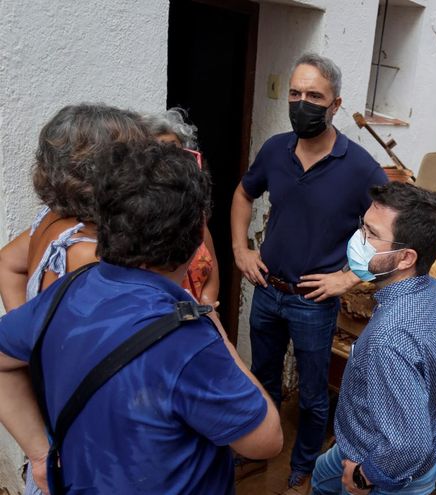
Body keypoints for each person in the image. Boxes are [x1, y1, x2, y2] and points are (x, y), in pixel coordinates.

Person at [0, 142, 282, 493]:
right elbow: (266, 440)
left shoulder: (69, 290)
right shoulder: (189, 340)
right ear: (197, 238)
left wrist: (39, 453)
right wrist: (216, 330)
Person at [230, 52, 388, 487]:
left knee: (315, 395)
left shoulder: (360, 167)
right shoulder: (275, 150)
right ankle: (260, 451)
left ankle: (302, 463)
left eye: (314, 96)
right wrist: (240, 249)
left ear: (335, 104)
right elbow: (244, 195)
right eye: (295, 93)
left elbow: (396, 231)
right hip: (267, 288)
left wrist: (351, 277)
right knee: (262, 379)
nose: (302, 103)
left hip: (313, 303)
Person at [0, 104, 149, 494]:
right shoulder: (89, 253)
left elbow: (7, 264)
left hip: (53, 416)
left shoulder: (50, 221)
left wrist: (31, 335)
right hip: (83, 444)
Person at [310, 182, 436, 495]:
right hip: (362, 443)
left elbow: (409, 444)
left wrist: (365, 476)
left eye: (371, 234)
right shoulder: (435, 292)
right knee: (321, 476)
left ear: (405, 258)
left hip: (381, 471)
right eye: (362, 227)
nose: (359, 240)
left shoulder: (390, 339)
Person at [141, 108, 220, 305]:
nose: (167, 162)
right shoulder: (133, 220)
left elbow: (212, 273)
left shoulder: (196, 217)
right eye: (157, 152)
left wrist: (206, 306)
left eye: (174, 152)